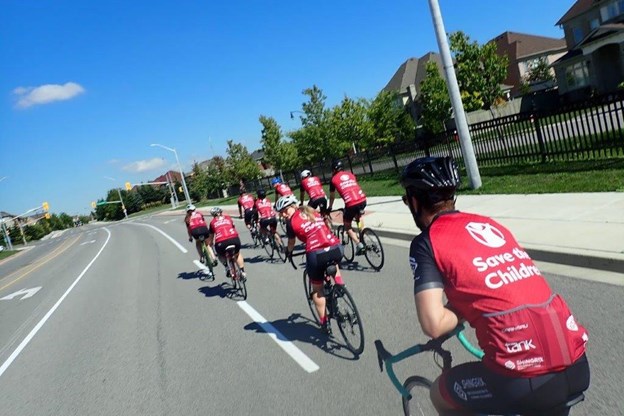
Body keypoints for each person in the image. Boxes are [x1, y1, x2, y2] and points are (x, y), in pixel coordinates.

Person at [400, 156, 590, 416]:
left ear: (413, 201)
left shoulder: (427, 242)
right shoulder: (488, 224)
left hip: (523, 378)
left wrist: (467, 306)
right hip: (576, 363)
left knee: (440, 393)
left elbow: (433, 324)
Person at [276, 194, 344, 334]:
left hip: (316, 254)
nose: (283, 214)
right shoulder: (312, 211)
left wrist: (289, 253)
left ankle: (324, 323)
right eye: (281, 212)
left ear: (293, 207)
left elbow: (291, 242)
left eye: (285, 210)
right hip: (335, 247)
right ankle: (339, 284)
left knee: (317, 291)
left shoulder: (291, 223)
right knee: (332, 260)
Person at [327, 160, 367, 254]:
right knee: (358, 217)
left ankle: (359, 245)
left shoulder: (333, 180)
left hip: (351, 203)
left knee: (347, 226)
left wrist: (330, 207)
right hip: (362, 199)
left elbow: (332, 196)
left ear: (333, 169)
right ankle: (363, 234)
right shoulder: (350, 174)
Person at [207, 207, 246, 280]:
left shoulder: (212, 223)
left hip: (221, 242)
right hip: (234, 239)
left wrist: (210, 244)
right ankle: (242, 271)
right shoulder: (228, 218)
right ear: (221, 212)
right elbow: (233, 227)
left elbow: (211, 239)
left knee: (220, 254)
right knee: (237, 254)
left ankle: (226, 267)